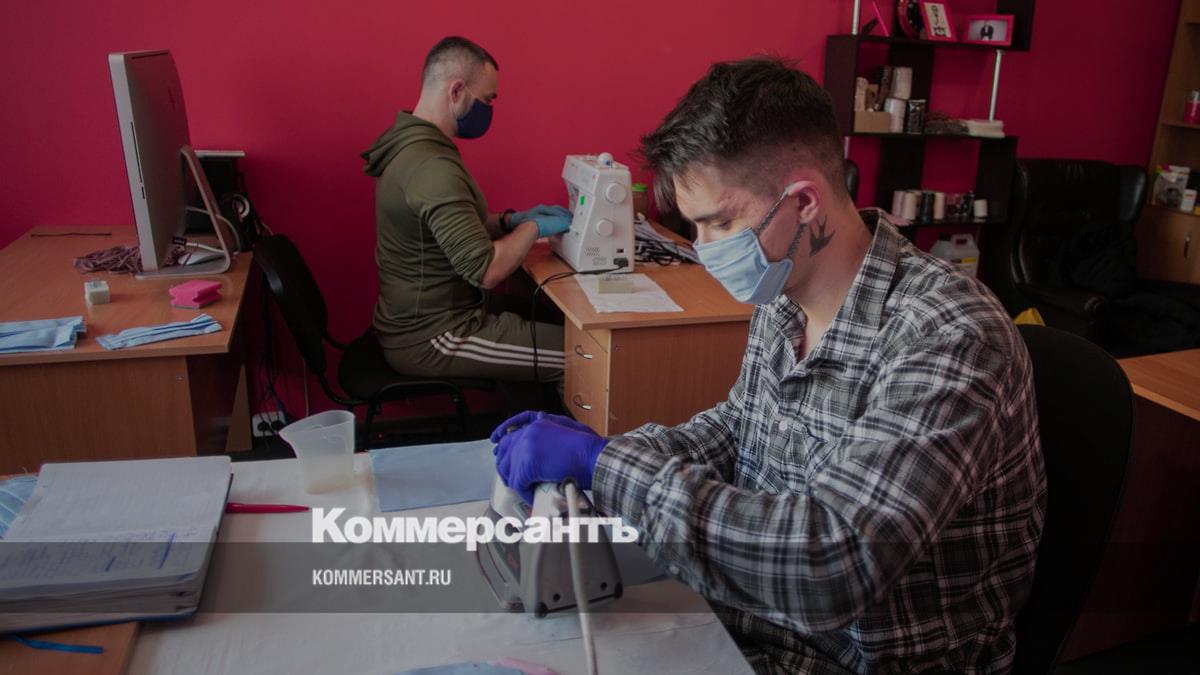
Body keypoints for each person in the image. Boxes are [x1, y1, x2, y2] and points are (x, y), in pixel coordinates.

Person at [492, 57, 1046, 674]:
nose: (704, 250)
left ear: (803, 202)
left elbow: (832, 563)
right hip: (752, 624)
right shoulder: (785, 296)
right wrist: (606, 459)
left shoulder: (949, 337)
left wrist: (608, 467)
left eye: (720, 222)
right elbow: (741, 431)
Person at [362, 36, 567, 382]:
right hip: (433, 335)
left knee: (555, 318)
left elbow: (450, 230)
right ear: (456, 91)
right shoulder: (430, 167)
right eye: (487, 99)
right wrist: (533, 228)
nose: (489, 108)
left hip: (435, 315)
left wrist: (508, 222)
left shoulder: (413, 145)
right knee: (588, 357)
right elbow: (486, 271)